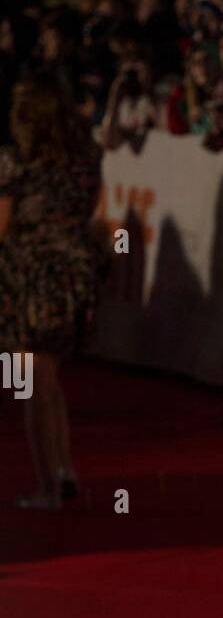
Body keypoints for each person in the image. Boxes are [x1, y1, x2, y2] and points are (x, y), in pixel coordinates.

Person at [0, 75, 109, 508]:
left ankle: (49, 486)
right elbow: (87, 212)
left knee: (32, 386)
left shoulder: (14, 162)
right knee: (50, 380)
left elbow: (2, 228)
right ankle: (64, 471)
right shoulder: (88, 158)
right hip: (74, 275)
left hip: (29, 278)